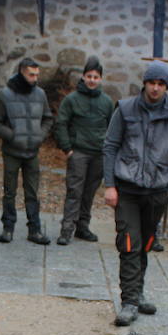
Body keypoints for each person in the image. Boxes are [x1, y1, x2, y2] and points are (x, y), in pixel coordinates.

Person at [101, 61, 168, 328]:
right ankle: (128, 302)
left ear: (167, 88)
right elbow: (110, 146)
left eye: (161, 85)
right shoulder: (125, 109)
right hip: (127, 189)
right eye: (152, 83)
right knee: (129, 243)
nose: (156, 89)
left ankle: (138, 291)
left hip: (157, 191)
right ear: (144, 83)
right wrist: (110, 185)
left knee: (146, 243)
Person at [0, 58, 53, 245]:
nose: (35, 78)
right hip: (12, 151)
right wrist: (12, 135)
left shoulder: (40, 94)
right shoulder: (5, 95)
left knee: (32, 192)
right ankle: (8, 227)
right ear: (22, 72)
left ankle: (35, 229)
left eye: (37, 75)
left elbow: (48, 118)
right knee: (10, 191)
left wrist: (40, 135)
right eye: (31, 74)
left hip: (32, 151)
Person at [53, 56, 114, 245]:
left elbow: (112, 127)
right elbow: (61, 123)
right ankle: (67, 229)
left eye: (96, 77)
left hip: (98, 154)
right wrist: (67, 148)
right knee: (75, 191)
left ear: (101, 79)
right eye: (89, 76)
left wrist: (107, 150)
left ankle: (83, 227)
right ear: (83, 77)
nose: (92, 80)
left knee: (89, 192)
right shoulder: (72, 100)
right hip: (78, 152)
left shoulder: (106, 102)